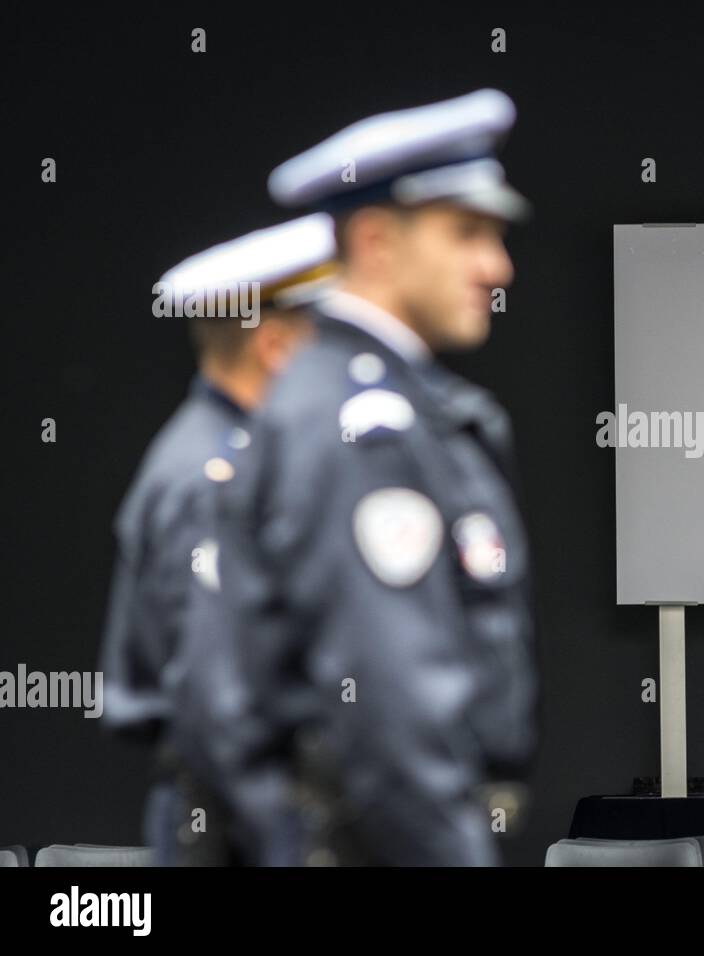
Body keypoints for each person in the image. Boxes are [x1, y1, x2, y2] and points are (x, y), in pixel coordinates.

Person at [207, 88, 538, 866]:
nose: (497, 266)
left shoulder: (369, 399)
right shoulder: (362, 423)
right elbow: (389, 710)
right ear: (378, 242)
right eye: (466, 233)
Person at [98, 214, 335, 864]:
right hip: (230, 828)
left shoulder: (238, 463)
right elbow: (218, 704)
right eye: (325, 341)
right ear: (277, 348)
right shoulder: (209, 481)